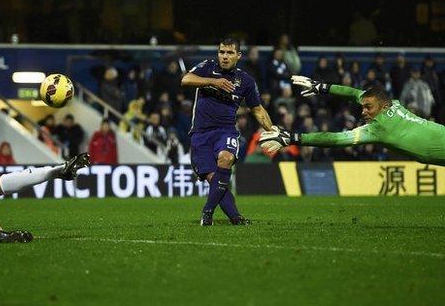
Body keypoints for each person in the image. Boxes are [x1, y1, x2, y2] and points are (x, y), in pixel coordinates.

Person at [181, 37, 275, 226]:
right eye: (221, 52)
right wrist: (214, 82)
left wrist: (273, 131)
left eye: (229, 52)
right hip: (200, 133)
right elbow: (186, 79)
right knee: (214, 179)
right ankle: (235, 217)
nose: (224, 56)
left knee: (226, 158)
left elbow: (257, 109)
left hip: (226, 131)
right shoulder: (208, 67)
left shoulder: (246, 80)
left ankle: (207, 212)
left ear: (238, 56)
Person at [259, 76, 445, 166]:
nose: (363, 112)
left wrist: (294, 138)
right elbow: (354, 93)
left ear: (383, 106)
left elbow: (335, 140)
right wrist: (322, 87)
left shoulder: (378, 128)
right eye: (363, 107)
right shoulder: (393, 103)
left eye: (368, 108)